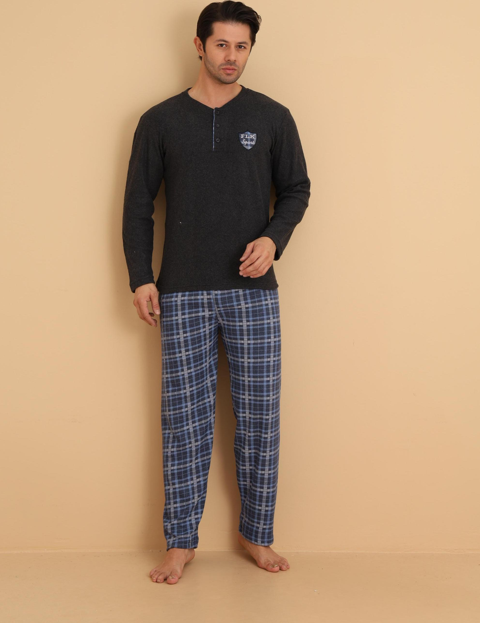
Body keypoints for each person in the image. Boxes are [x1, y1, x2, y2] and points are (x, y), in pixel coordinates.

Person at [122, 0, 311, 584]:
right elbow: (137, 206)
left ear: (250, 49)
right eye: (222, 44)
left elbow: (298, 190)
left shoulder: (273, 116)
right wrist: (140, 275)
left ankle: (257, 533)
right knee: (184, 422)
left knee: (259, 419)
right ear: (200, 45)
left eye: (242, 46)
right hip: (180, 291)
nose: (232, 56)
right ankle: (180, 542)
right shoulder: (159, 121)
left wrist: (273, 240)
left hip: (254, 293)